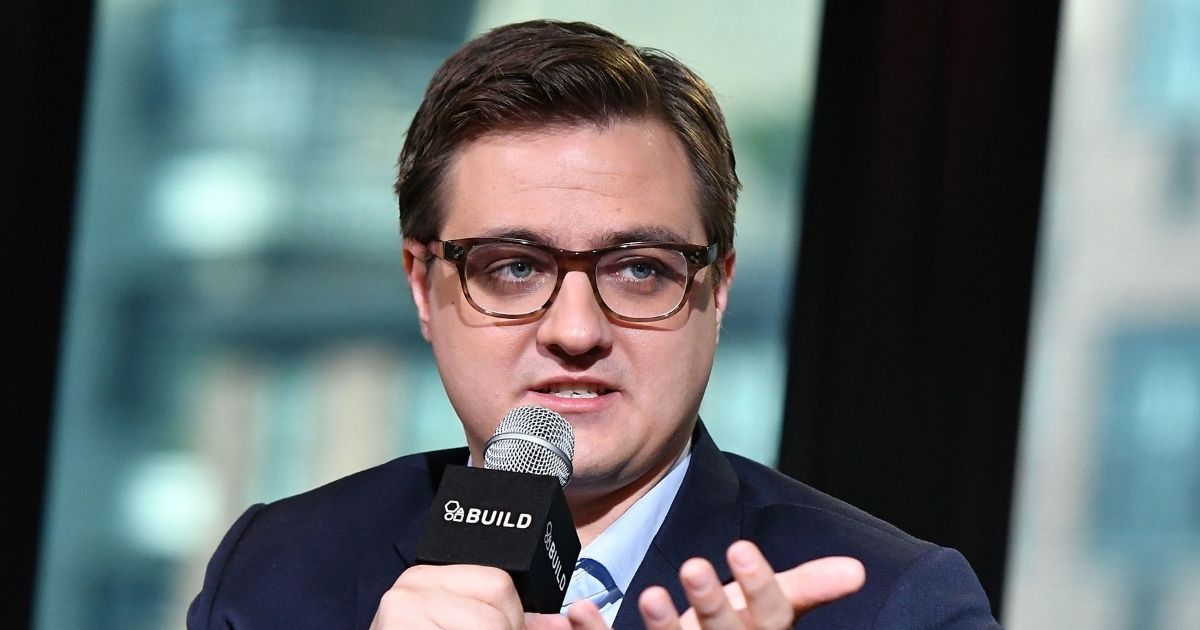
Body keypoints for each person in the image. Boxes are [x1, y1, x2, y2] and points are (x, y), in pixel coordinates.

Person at [188, 19, 1000, 630]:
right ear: (422, 286)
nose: (575, 331)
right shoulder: (276, 572)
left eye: (641, 270)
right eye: (514, 267)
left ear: (715, 291)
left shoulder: (901, 604)